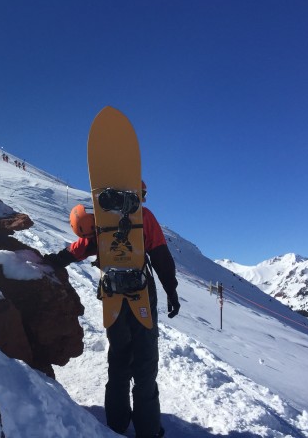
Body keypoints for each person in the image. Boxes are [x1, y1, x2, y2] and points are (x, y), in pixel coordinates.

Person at [43, 181, 179, 438]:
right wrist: (171, 291)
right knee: (145, 361)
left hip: (113, 295)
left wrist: (52, 261)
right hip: (141, 294)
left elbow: (78, 249)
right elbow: (161, 256)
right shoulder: (143, 217)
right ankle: (148, 429)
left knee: (118, 360)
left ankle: (116, 424)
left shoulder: (101, 221)